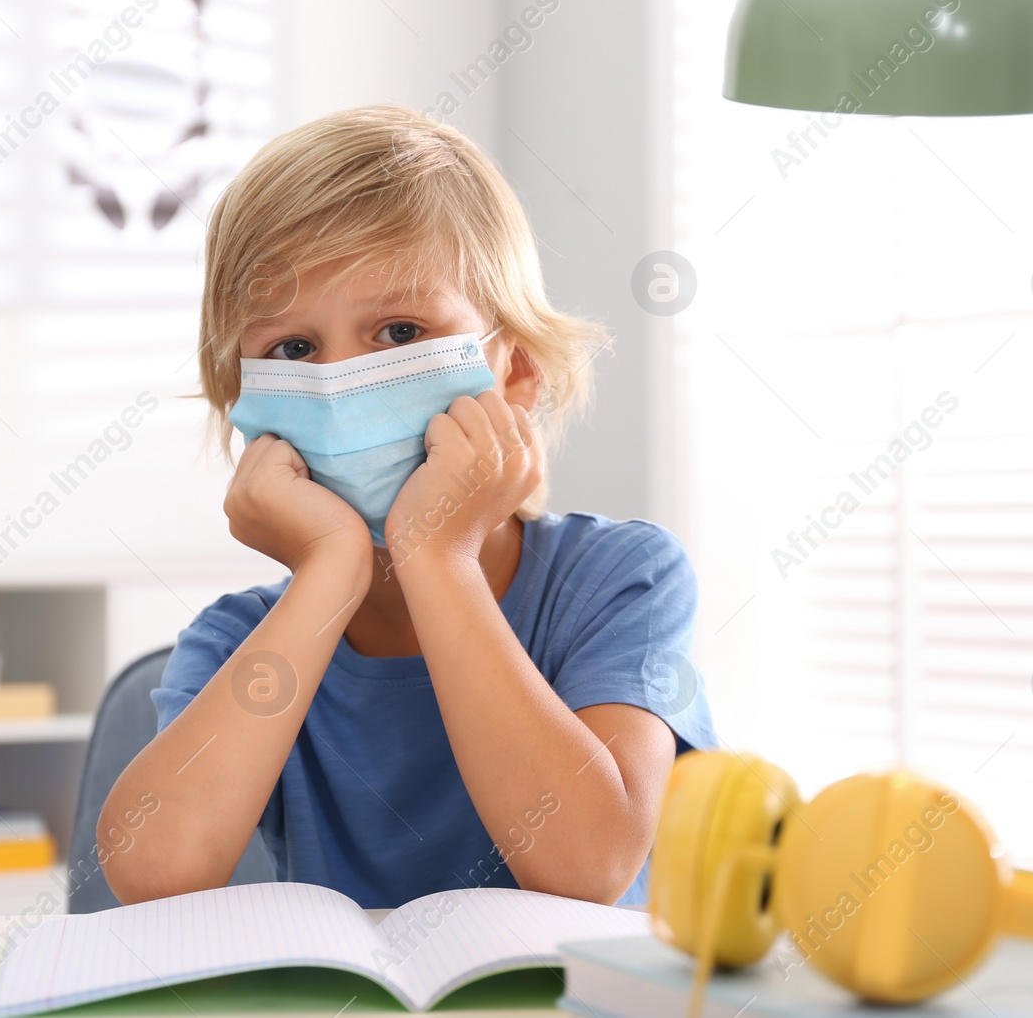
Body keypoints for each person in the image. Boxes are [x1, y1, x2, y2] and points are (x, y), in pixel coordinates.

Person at [100, 105, 716, 909]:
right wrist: (331, 574)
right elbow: (151, 873)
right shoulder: (237, 644)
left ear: (516, 373)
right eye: (293, 349)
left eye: (398, 329)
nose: (343, 381)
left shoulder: (624, 580)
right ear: (249, 408)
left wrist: (438, 556)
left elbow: (587, 864)